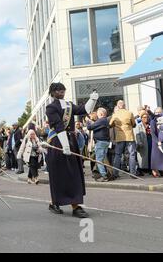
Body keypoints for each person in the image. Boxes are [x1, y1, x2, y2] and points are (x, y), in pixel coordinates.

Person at [45, 83, 98, 218]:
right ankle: (54, 202)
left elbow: (83, 110)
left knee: (74, 173)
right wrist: (65, 145)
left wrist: (92, 100)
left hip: (70, 141)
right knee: (60, 174)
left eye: (62, 89)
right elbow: (58, 125)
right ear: (52, 92)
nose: (61, 91)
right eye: (58, 90)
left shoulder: (68, 105)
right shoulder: (50, 107)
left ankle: (76, 205)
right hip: (58, 142)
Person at [109, 100, 138, 178]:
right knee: (131, 154)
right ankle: (132, 173)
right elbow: (134, 124)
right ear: (124, 105)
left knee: (117, 155)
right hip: (129, 136)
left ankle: (115, 173)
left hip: (119, 137)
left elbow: (110, 125)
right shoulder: (129, 113)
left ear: (118, 106)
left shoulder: (115, 115)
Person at [87, 108, 111, 182]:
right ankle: (108, 174)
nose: (96, 115)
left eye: (97, 113)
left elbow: (89, 127)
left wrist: (88, 121)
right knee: (103, 159)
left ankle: (104, 176)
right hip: (105, 142)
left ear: (101, 114)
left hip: (101, 142)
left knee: (99, 160)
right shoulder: (105, 120)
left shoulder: (101, 120)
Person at [150, 108, 163, 177]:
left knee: (161, 158)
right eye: (156, 112)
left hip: (162, 141)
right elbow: (152, 133)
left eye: (159, 112)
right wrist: (157, 141)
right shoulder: (153, 121)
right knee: (156, 158)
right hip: (156, 142)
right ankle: (155, 171)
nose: (158, 114)